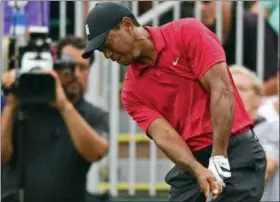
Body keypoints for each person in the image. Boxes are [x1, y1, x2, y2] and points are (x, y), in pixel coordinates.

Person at [82, 2, 266, 202]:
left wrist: (219, 156)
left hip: (235, 150)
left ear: (127, 25)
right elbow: (165, 136)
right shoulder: (130, 92)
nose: (108, 55)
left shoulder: (188, 31)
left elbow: (221, 89)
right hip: (192, 165)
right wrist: (197, 169)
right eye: (102, 51)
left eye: (108, 44)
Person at [1, 36, 109, 202]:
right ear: (54, 67)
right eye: (69, 67)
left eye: (83, 68)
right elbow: (2, 155)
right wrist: (10, 107)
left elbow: (97, 153)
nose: (76, 75)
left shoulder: (93, 114)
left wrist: (64, 106)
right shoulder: (22, 104)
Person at [199, 1, 278, 96]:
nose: (200, 8)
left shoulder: (252, 27)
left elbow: (275, 80)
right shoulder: (199, 31)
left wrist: (250, 98)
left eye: (206, 2)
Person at [230, 65, 279, 202]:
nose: (232, 92)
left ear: (259, 98)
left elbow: (262, 170)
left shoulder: (273, 129)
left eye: (240, 88)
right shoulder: (210, 134)